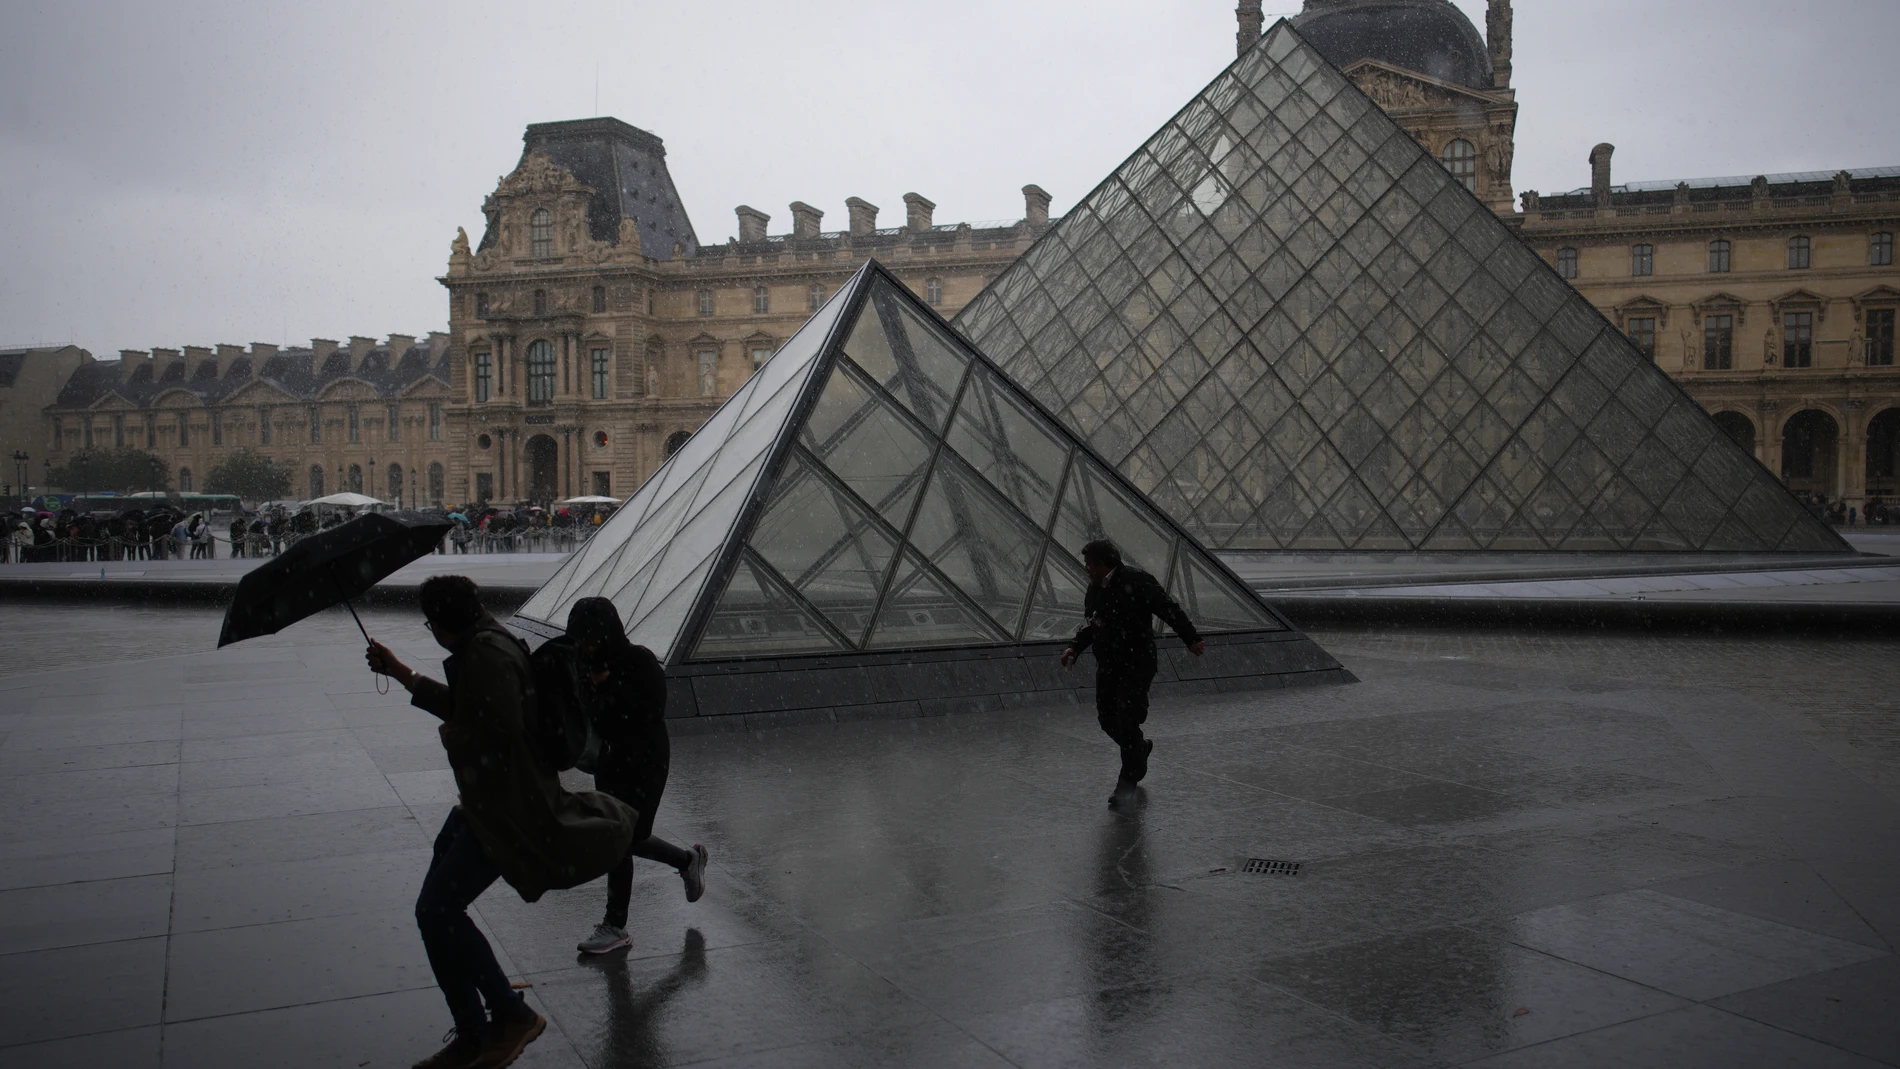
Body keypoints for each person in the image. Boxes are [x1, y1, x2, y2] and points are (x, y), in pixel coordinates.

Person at [365, 576, 638, 1069]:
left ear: (440, 625)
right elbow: (479, 707)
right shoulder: (486, 643)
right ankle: (476, 1029)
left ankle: (505, 1017)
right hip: (488, 805)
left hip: (507, 811)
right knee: (435, 912)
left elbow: (500, 728)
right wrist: (403, 674)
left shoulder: (487, 653)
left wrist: (454, 738)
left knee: (436, 913)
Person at [563, 597, 709, 955]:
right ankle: (685, 862)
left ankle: (617, 923)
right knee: (621, 836)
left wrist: (606, 688)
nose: (586, 646)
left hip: (646, 763)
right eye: (580, 639)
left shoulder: (640, 661)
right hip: (609, 763)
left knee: (628, 836)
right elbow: (588, 715)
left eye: (591, 638)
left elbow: (645, 714)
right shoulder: (585, 666)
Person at [1059, 540, 1205, 805]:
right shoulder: (1094, 588)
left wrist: (1191, 638)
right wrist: (1074, 647)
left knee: (1127, 720)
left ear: (1105, 562)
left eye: (1090, 563)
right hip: (1108, 664)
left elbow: (1167, 608)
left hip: (1137, 663)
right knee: (1107, 719)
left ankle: (1126, 784)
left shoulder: (1136, 580)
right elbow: (1091, 623)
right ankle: (1140, 748)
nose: (1086, 568)